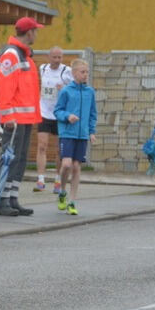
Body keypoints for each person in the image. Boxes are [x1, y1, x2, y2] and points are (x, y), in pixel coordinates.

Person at [0, 16, 44, 217]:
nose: (37, 34)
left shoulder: (24, 56)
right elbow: (4, 89)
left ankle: (12, 197)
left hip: (24, 119)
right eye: (36, 31)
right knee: (10, 159)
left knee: (20, 159)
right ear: (29, 32)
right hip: (14, 120)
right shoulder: (12, 55)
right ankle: (1, 200)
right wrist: (7, 117)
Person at [54, 59, 97, 216]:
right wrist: (67, 116)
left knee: (77, 167)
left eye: (87, 72)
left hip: (82, 135)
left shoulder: (90, 92)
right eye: (82, 72)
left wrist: (91, 132)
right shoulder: (66, 91)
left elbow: (93, 114)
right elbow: (57, 111)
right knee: (66, 165)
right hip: (67, 133)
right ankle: (62, 191)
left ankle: (72, 202)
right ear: (74, 73)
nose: (85, 75)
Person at [35, 46, 73, 193]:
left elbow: (73, 89)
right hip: (44, 112)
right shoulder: (43, 68)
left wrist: (63, 87)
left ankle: (58, 180)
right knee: (42, 146)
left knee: (59, 149)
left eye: (60, 57)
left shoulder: (66, 71)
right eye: (55, 57)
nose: (57, 60)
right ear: (48, 57)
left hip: (59, 114)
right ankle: (40, 179)